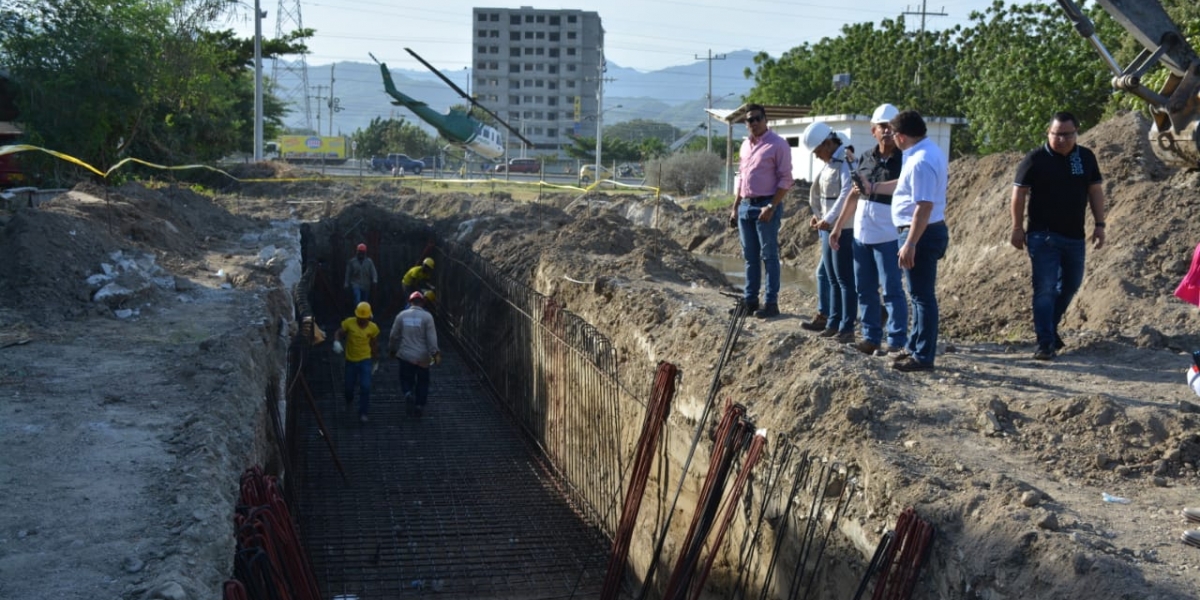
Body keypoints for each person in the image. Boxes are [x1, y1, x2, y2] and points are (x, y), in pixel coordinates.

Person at [1011, 111, 1107, 360]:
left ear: (1076, 133)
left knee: (1071, 285)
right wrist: (1017, 228)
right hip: (1043, 236)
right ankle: (1045, 343)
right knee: (1045, 288)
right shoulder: (1035, 159)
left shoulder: (1085, 157)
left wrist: (1100, 223)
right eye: (1056, 134)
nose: (1061, 139)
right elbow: (1018, 194)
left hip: (1074, 236)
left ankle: (1050, 330)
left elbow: (1094, 190)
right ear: (1048, 133)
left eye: (1067, 134)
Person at [867, 110, 950, 372]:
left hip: (921, 234)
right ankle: (915, 347)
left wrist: (911, 242)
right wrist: (873, 187)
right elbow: (905, 187)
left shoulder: (921, 160)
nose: (892, 138)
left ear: (902, 136)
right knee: (917, 295)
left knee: (922, 296)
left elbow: (923, 206)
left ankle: (923, 356)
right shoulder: (922, 153)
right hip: (920, 231)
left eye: (893, 134)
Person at [831, 103, 908, 356]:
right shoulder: (865, 158)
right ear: (873, 130)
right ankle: (871, 336)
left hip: (888, 232)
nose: (887, 131)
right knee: (864, 288)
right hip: (862, 233)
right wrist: (839, 226)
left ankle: (896, 340)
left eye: (891, 127)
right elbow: (854, 195)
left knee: (892, 289)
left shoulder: (905, 160)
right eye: (882, 127)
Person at [728, 104, 793, 319]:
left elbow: (786, 180)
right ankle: (750, 301)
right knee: (750, 257)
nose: (753, 123)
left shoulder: (778, 145)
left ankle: (771, 303)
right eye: (749, 120)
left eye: (757, 118)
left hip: (766, 205)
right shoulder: (745, 145)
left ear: (765, 120)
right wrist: (736, 206)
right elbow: (742, 178)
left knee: (769, 255)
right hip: (746, 205)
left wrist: (772, 206)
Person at [802, 121, 856, 342]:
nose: (816, 156)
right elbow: (821, 194)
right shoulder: (830, 162)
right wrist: (819, 215)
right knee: (832, 278)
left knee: (844, 278)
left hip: (843, 227)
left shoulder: (846, 160)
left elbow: (846, 193)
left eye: (817, 151)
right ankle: (833, 322)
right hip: (827, 228)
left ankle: (847, 327)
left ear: (827, 143)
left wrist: (830, 219)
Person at [390, 291, 441, 418]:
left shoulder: (401, 315)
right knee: (423, 381)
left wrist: (392, 349)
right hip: (423, 357)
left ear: (409, 302)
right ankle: (419, 405)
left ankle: (408, 393)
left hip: (406, 355)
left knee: (406, 378)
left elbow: (393, 336)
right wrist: (435, 353)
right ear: (423, 303)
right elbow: (432, 338)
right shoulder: (427, 317)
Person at [333, 301, 380, 423]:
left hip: (365, 360)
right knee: (349, 387)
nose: (362, 321)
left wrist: (375, 361)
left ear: (369, 317)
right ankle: (349, 401)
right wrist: (337, 342)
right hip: (351, 361)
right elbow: (339, 332)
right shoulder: (349, 323)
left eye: (365, 319)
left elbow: (374, 344)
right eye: (360, 318)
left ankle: (363, 412)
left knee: (365, 386)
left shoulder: (372, 328)